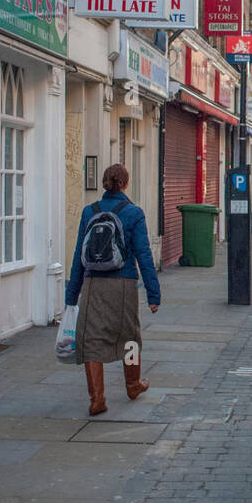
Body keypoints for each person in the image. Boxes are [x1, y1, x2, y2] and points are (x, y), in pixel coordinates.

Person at [66, 163, 161, 415]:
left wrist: (71, 295)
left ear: (105, 183)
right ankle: (133, 384)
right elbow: (144, 254)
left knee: (90, 339)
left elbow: (79, 255)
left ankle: (97, 399)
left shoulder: (89, 211)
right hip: (124, 284)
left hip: (92, 284)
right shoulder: (133, 213)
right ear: (126, 183)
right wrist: (153, 294)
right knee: (130, 338)